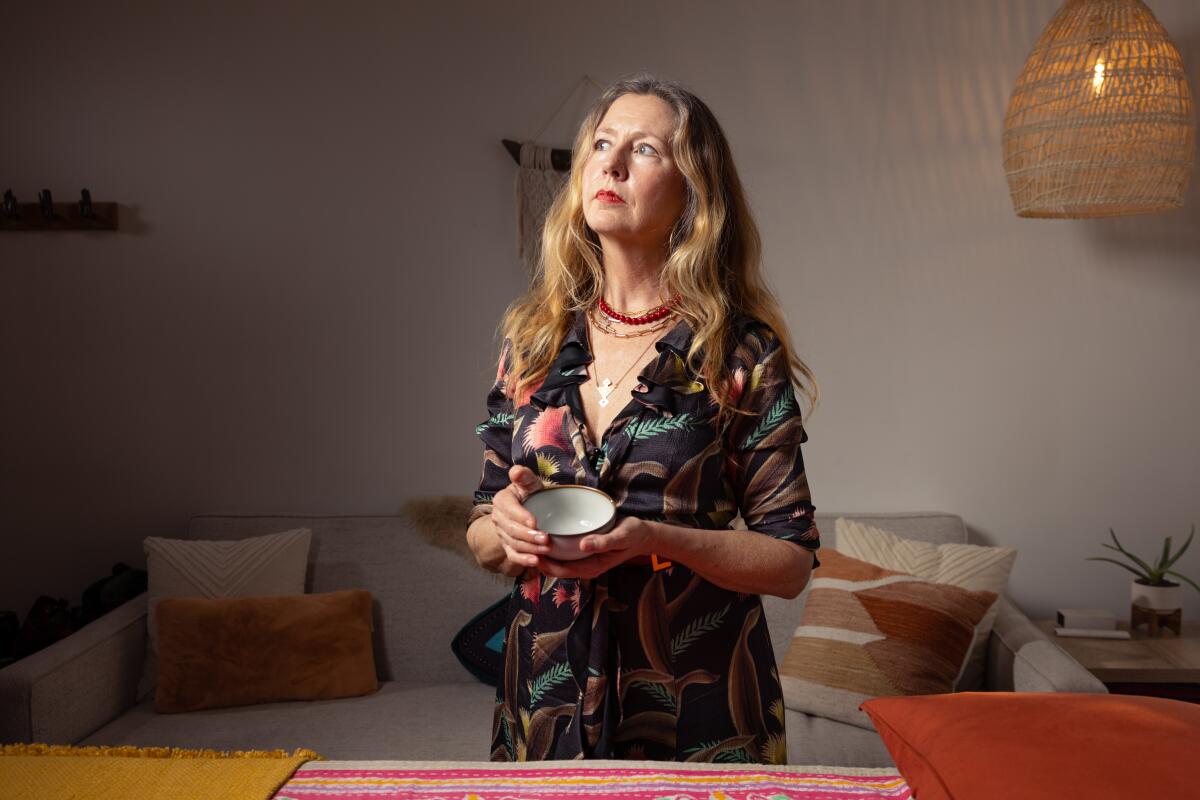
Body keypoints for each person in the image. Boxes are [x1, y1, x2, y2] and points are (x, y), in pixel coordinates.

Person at [466, 72, 821, 764]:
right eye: (601, 143)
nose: (613, 162)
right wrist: (505, 524)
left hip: (700, 709)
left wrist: (659, 537)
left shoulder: (738, 352)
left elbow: (788, 562)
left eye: (646, 149)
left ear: (694, 191)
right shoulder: (532, 343)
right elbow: (482, 529)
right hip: (546, 708)